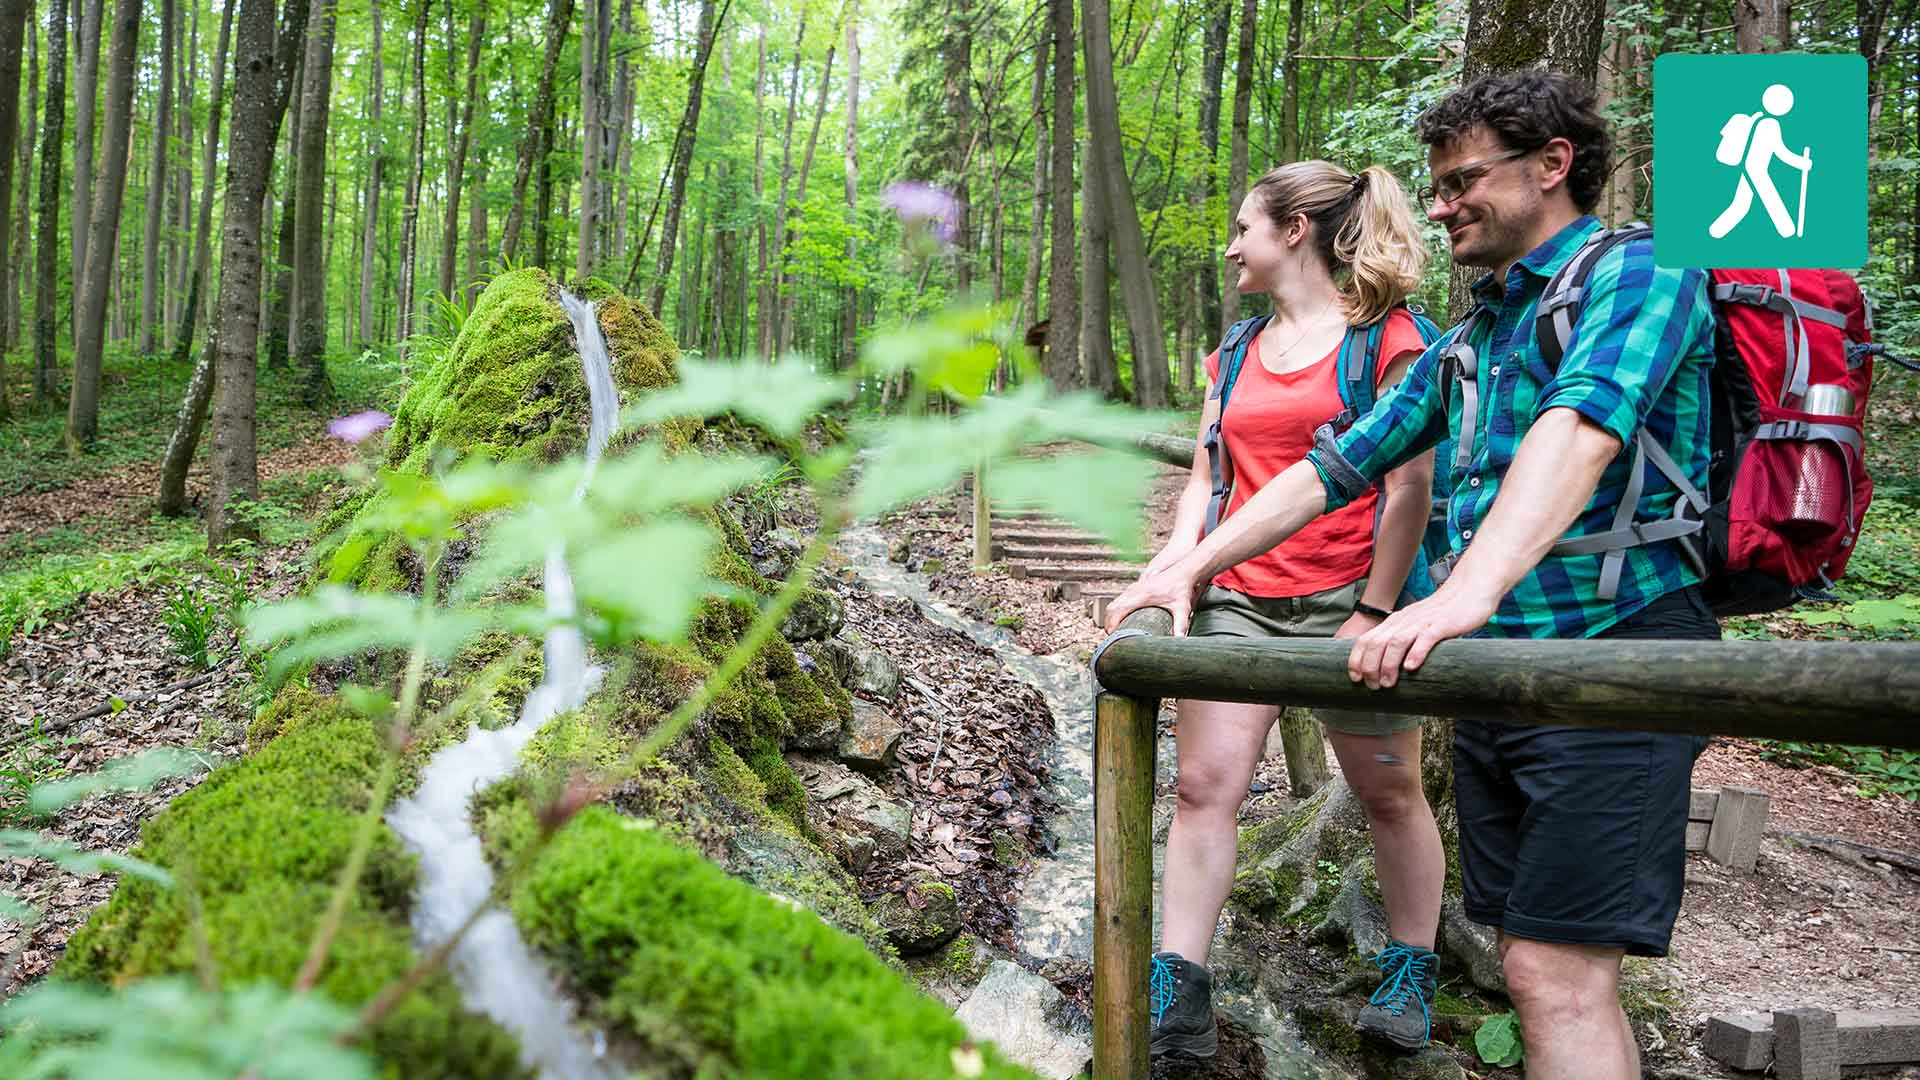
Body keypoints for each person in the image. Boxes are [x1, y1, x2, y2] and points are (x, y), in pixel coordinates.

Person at [1108, 70, 1718, 1080]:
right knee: (1537, 968)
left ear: (1553, 165)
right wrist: (1189, 569)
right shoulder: (1474, 337)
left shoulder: (1645, 269)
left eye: (1461, 181)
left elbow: (1583, 427)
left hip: (1616, 653)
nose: (1436, 207)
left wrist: (1450, 592)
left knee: (1558, 974)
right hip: (1492, 674)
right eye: (1434, 185)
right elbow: (1332, 467)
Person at [1141, 160, 1446, 1060]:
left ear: (1295, 231)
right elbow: (1207, 477)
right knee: (1203, 788)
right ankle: (1178, 990)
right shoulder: (1234, 349)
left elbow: (1410, 482)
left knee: (1389, 792)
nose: (1232, 245)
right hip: (1241, 600)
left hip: (1352, 602)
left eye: (1245, 228)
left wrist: (1375, 608)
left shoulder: (1389, 338)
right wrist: (1174, 569)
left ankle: (1409, 973)